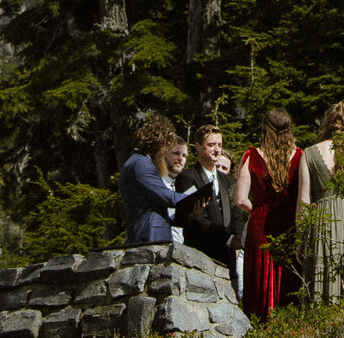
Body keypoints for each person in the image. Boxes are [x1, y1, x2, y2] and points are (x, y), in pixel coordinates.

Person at [232, 107, 305, 320]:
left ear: (265, 128)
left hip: (260, 223)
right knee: (288, 276)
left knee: (259, 279)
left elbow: (240, 199)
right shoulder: (299, 156)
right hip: (289, 222)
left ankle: (258, 326)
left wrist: (258, 209)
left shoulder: (251, 155)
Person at [300, 101, 344, 302]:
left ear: (327, 123)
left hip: (322, 224)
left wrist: (301, 240)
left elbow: (303, 200)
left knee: (321, 277)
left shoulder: (310, 153)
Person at [118, 115, 200, 247]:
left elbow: (154, 206)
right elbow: (165, 196)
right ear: (158, 143)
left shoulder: (137, 161)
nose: (164, 152)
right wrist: (195, 197)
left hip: (151, 232)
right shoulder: (141, 164)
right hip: (149, 235)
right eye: (165, 147)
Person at [175, 123, 239, 272]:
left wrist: (238, 238)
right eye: (211, 145)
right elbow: (197, 218)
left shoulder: (230, 181)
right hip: (200, 255)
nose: (217, 149)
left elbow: (236, 215)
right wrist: (228, 239)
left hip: (228, 258)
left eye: (219, 145)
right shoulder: (187, 178)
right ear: (198, 146)